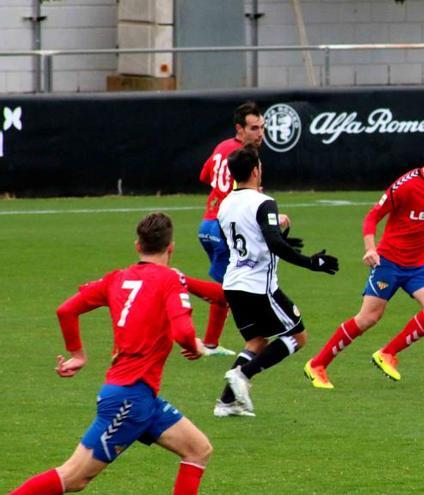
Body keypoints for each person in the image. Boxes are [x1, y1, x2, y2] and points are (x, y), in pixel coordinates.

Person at [8, 212, 211, 495]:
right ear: (171, 247)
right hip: (129, 399)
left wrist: (77, 355)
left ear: (137, 246)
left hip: (143, 398)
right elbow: (184, 334)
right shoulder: (169, 279)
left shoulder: (117, 278)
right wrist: (195, 348)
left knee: (198, 449)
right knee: (73, 477)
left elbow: (66, 310)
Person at [304, 130, 424, 389]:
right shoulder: (406, 185)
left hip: (418, 265)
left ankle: (388, 353)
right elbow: (372, 216)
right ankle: (317, 364)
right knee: (368, 318)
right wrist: (370, 248)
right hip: (388, 262)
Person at [214, 144, 339, 417]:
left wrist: (278, 241)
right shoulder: (263, 201)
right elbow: (272, 242)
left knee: (256, 341)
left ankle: (226, 403)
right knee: (298, 336)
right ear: (256, 170)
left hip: (233, 284)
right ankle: (243, 375)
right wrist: (310, 262)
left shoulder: (224, 205)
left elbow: (235, 243)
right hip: (259, 286)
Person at [196, 101, 265, 357]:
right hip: (223, 228)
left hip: (207, 225)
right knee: (231, 289)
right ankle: (180, 282)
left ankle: (211, 344)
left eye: (262, 128)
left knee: (227, 285)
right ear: (240, 129)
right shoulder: (247, 160)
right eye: (254, 128)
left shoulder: (221, 148)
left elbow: (204, 176)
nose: (260, 134)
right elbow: (252, 196)